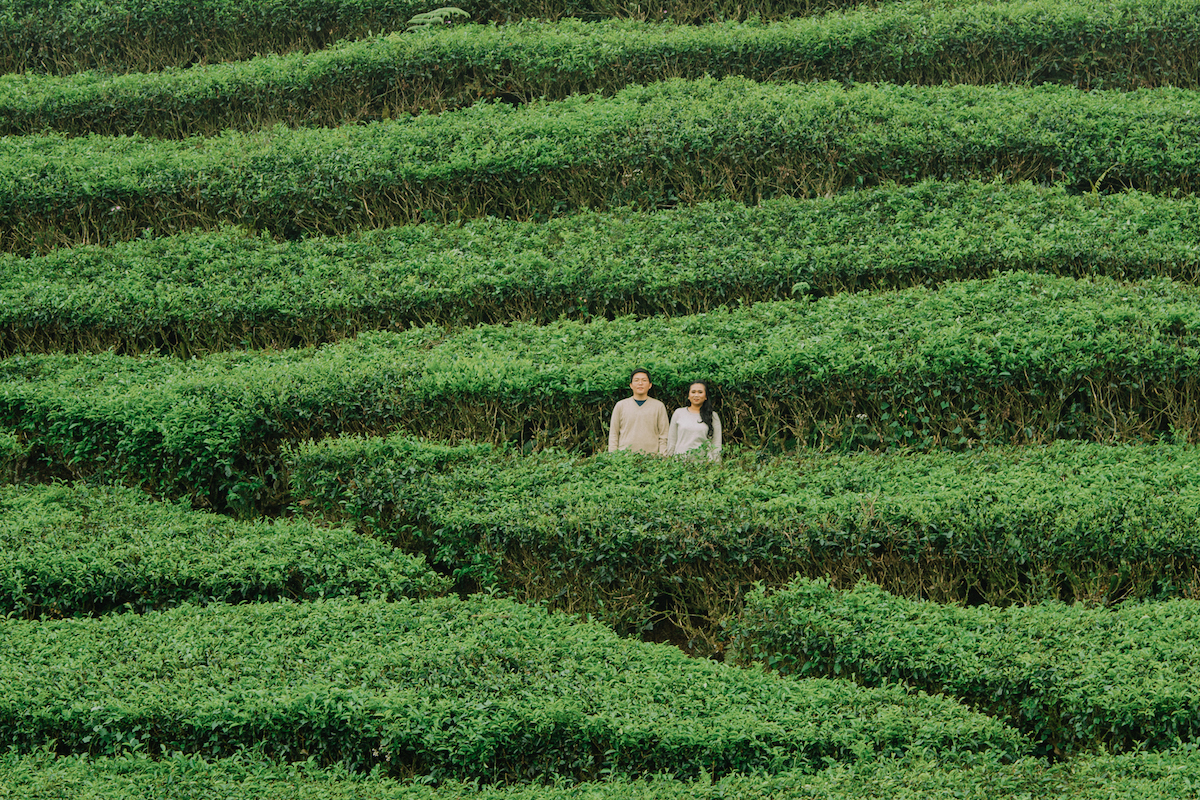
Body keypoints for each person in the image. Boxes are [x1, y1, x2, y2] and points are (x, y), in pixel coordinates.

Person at [608, 368, 669, 455]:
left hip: (651, 458)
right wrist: (613, 455)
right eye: (636, 380)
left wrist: (662, 455)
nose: (640, 383)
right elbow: (614, 433)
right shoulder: (620, 406)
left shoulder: (658, 406)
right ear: (631, 385)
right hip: (624, 457)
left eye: (644, 380)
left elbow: (664, 435)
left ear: (650, 385)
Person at [666, 380, 722, 461]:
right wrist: (669, 460)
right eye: (693, 392)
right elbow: (672, 440)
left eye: (700, 392)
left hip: (705, 463)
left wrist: (717, 465)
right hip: (680, 462)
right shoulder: (679, 413)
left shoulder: (713, 416)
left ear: (706, 396)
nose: (696, 395)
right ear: (688, 396)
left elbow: (716, 443)